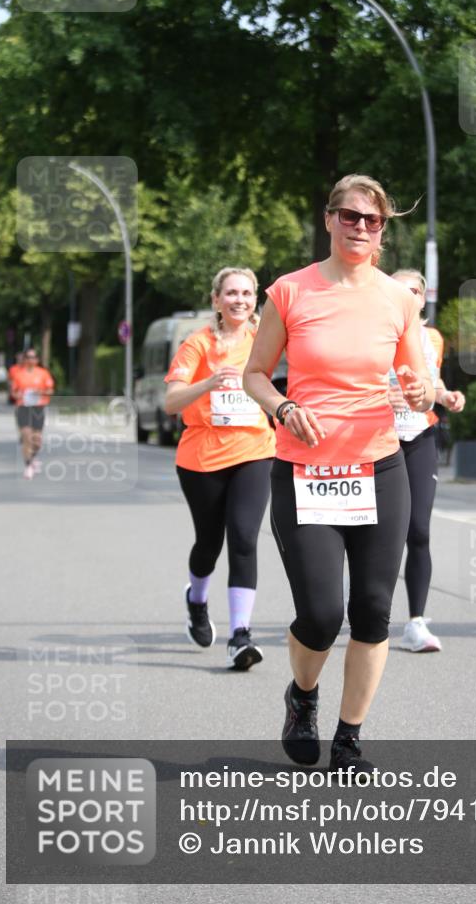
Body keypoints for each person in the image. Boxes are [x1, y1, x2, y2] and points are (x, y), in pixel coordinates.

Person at [243, 174, 435, 773]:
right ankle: (302, 697)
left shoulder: (398, 300)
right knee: (323, 615)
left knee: (375, 609)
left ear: (383, 231)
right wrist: (283, 407)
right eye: (350, 216)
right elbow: (255, 373)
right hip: (305, 472)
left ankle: (350, 737)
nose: (360, 228)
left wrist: (420, 387)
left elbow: (421, 386)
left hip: (379, 465)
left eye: (372, 221)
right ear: (329, 219)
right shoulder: (290, 292)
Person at [164, 267, 276, 670]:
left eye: (247, 293)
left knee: (244, 537)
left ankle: (240, 634)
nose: (240, 300)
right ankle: (196, 600)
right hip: (202, 458)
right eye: (231, 293)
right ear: (216, 300)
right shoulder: (197, 344)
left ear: (255, 298)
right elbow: (171, 402)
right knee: (209, 544)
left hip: (255, 450)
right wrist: (208, 384)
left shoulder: (265, 341)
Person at [388, 270, 465, 652]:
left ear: (422, 299)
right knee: (378, 534)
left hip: (420, 435)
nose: (409, 296)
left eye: (415, 291)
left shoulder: (432, 337)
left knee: (418, 530)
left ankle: (416, 622)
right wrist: (384, 399)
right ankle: (367, 607)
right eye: (401, 290)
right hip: (377, 441)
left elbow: (431, 383)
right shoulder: (372, 332)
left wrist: (446, 396)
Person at [11, 348, 54, 479]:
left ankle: (33, 457)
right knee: (26, 436)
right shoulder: (18, 374)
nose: (30, 359)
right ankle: (28, 465)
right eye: (28, 357)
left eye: (33, 357)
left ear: (37, 360)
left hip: (38, 408)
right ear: (24, 359)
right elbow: (13, 392)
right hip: (23, 407)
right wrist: (17, 395)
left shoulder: (43, 373)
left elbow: (50, 390)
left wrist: (40, 392)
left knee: (37, 440)